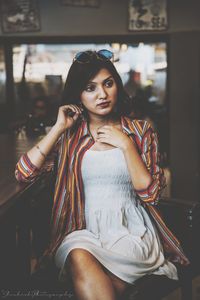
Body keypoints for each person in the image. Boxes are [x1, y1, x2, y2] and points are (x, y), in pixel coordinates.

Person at [15, 49, 189, 300]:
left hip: (132, 231)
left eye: (108, 83)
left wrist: (126, 145)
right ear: (78, 95)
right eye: (90, 88)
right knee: (77, 253)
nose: (102, 94)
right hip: (83, 230)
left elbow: (151, 195)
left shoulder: (141, 131)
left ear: (117, 85)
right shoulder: (70, 137)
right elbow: (23, 173)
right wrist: (58, 127)